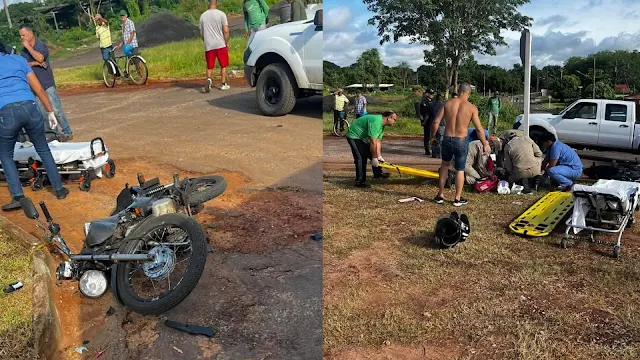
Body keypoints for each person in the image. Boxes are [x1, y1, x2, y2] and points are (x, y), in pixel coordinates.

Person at [0, 42, 69, 210]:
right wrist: (50, 111)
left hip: (7, 112)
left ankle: (18, 197)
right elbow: (38, 88)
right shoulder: (19, 60)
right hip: (31, 108)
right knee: (43, 149)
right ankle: (59, 189)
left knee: (6, 155)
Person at [431, 83, 490, 206]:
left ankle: (440, 195)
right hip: (460, 140)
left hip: (447, 139)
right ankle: (457, 198)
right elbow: (479, 129)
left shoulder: (447, 103)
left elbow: (436, 121)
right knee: (460, 170)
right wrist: (485, 144)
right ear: (468, 93)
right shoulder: (472, 108)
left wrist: (433, 137)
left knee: (444, 166)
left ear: (458, 90)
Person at [19, 25, 73, 141]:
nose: (21, 38)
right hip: (35, 86)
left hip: (46, 83)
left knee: (56, 110)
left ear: (30, 34)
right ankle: (54, 134)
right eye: (20, 36)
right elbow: (24, 64)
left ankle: (67, 131)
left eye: (23, 35)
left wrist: (29, 48)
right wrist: (35, 63)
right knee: (44, 113)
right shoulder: (23, 52)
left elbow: (40, 58)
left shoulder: (40, 45)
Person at [346, 111, 396, 188]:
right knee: (361, 158)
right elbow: (373, 142)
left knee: (373, 154)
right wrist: (374, 158)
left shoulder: (382, 125)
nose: (395, 122)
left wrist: (379, 156)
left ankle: (378, 174)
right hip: (354, 136)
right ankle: (359, 181)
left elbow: (378, 141)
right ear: (388, 118)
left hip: (362, 138)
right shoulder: (376, 122)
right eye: (394, 119)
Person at [200, 0, 231, 92]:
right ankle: (223, 84)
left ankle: (209, 78)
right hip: (220, 44)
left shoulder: (203, 16)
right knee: (223, 65)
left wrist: (206, 41)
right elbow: (226, 30)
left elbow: (201, 34)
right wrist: (226, 42)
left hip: (209, 45)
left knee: (210, 66)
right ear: (216, 3)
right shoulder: (221, 14)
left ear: (208, 3)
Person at [430, 94, 444, 158]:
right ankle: (440, 155)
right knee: (440, 140)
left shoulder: (432, 105)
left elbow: (428, 114)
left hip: (433, 124)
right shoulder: (444, 106)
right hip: (442, 124)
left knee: (433, 138)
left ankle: (434, 154)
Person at [420, 91, 434, 156]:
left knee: (433, 136)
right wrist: (423, 121)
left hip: (433, 121)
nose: (432, 95)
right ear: (427, 94)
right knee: (427, 137)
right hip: (427, 122)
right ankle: (427, 150)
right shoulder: (424, 101)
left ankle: (433, 150)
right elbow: (422, 113)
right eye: (431, 94)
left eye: (432, 94)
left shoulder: (433, 101)